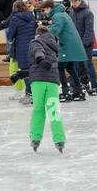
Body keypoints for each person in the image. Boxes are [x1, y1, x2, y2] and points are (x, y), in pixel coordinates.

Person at [27, 12, 67, 154]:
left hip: (38, 82)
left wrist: (40, 58)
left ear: (38, 34)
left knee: (38, 109)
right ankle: (59, 139)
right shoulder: (53, 44)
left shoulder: (35, 41)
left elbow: (38, 52)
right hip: (52, 81)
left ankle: (35, 137)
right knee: (53, 110)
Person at [48, 0, 85, 103]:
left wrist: (45, 28)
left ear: (49, 8)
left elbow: (55, 30)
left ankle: (65, 91)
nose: (45, 13)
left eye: (45, 10)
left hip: (67, 46)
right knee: (70, 67)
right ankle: (78, 90)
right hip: (72, 45)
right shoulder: (62, 14)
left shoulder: (57, 16)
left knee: (60, 67)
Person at [68, 0, 97, 97]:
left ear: (80, 1)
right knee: (74, 65)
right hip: (75, 43)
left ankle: (95, 86)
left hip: (86, 44)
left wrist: (84, 44)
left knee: (87, 64)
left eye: (75, 1)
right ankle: (75, 85)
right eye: (72, 1)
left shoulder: (87, 13)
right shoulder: (72, 12)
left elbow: (89, 30)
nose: (73, 3)